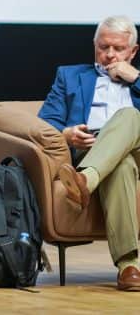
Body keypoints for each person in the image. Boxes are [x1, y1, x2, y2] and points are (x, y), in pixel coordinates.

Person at [38, 15, 140, 291]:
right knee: (121, 166)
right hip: (91, 150)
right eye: (103, 47)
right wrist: (66, 134)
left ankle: (86, 180)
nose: (110, 55)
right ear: (95, 46)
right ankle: (129, 267)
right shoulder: (70, 76)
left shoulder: (138, 78)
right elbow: (45, 123)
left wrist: (136, 78)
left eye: (118, 48)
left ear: (133, 51)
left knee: (130, 115)